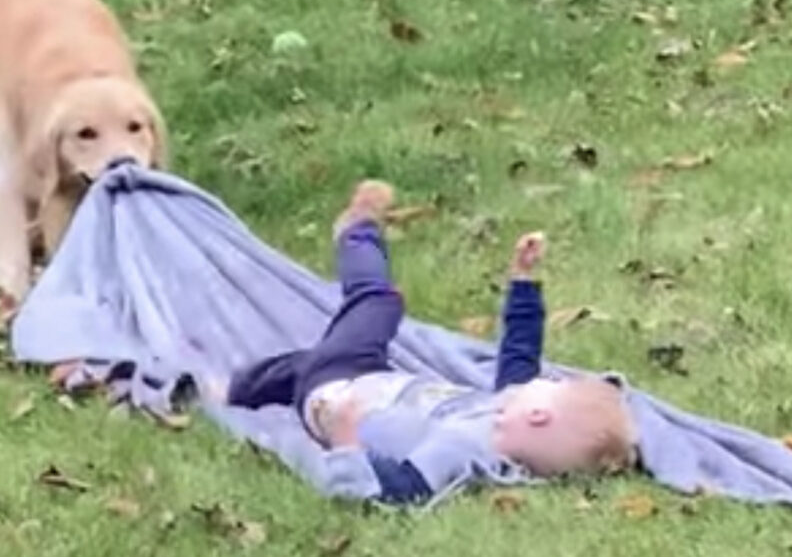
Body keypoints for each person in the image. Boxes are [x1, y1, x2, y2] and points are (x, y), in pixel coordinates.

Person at [221, 180, 637, 503]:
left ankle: (357, 231)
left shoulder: (460, 450)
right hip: (372, 375)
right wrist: (523, 282)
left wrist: (347, 442)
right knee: (307, 363)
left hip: (335, 391)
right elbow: (519, 356)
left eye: (551, 384)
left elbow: (395, 490)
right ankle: (256, 383)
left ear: (539, 416)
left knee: (377, 303)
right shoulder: (507, 411)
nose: (540, 379)